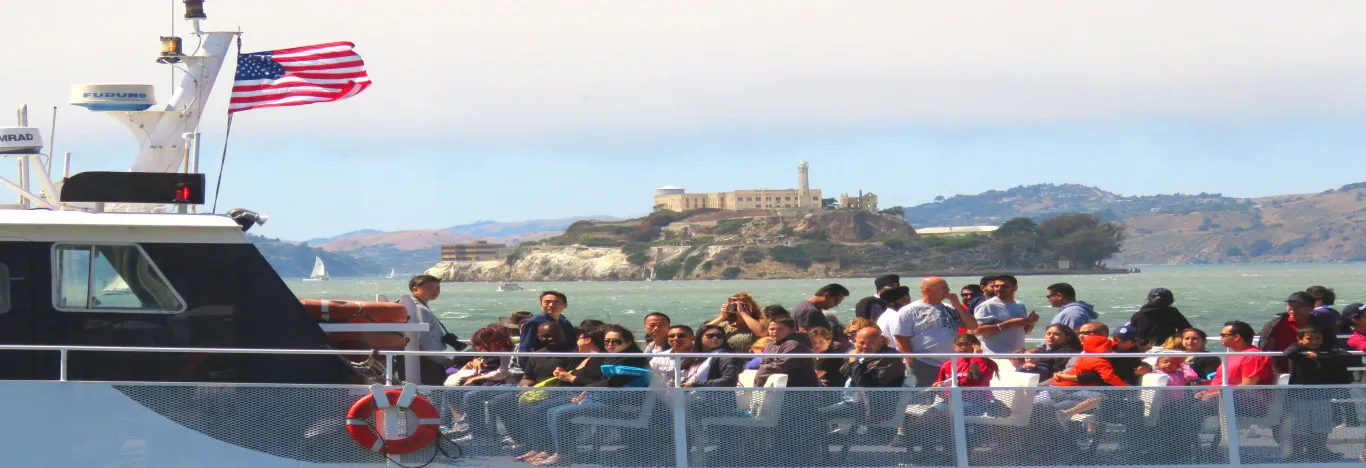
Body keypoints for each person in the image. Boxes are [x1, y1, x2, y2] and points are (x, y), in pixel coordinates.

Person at [880, 276, 976, 388]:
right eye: (943, 287)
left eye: (947, 287)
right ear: (928, 289)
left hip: (952, 363)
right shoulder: (909, 310)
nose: (948, 290)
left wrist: (957, 305)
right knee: (923, 397)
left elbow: (972, 325)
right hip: (924, 364)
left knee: (952, 396)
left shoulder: (950, 308)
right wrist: (912, 362)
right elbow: (901, 338)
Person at [1260, 291, 1339, 373]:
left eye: (1299, 306)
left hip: (1314, 372)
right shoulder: (1275, 325)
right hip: (1280, 373)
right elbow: (1268, 352)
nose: (1293, 309)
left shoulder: (1321, 325)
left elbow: (1331, 348)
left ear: (1312, 308)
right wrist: (1279, 373)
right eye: (1290, 305)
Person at [407, 275, 465, 385]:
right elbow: (423, 338)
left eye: (438, 288)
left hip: (426, 358)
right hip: (427, 360)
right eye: (429, 288)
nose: (435, 291)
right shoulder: (419, 309)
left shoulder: (417, 305)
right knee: (435, 388)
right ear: (415, 289)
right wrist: (444, 360)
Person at [973, 275, 1039, 354]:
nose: (999, 289)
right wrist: (1010, 323)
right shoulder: (987, 306)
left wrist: (1030, 321)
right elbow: (978, 330)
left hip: (1018, 355)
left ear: (1015, 288)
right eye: (996, 286)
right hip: (995, 355)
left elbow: (1025, 331)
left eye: (1004, 286)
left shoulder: (1020, 305)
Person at [517, 291, 579, 366]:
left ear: (565, 305)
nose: (551, 305)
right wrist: (526, 368)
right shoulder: (534, 323)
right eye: (547, 302)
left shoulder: (565, 322)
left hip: (565, 363)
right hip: (542, 364)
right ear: (541, 305)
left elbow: (573, 344)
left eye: (556, 302)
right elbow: (525, 348)